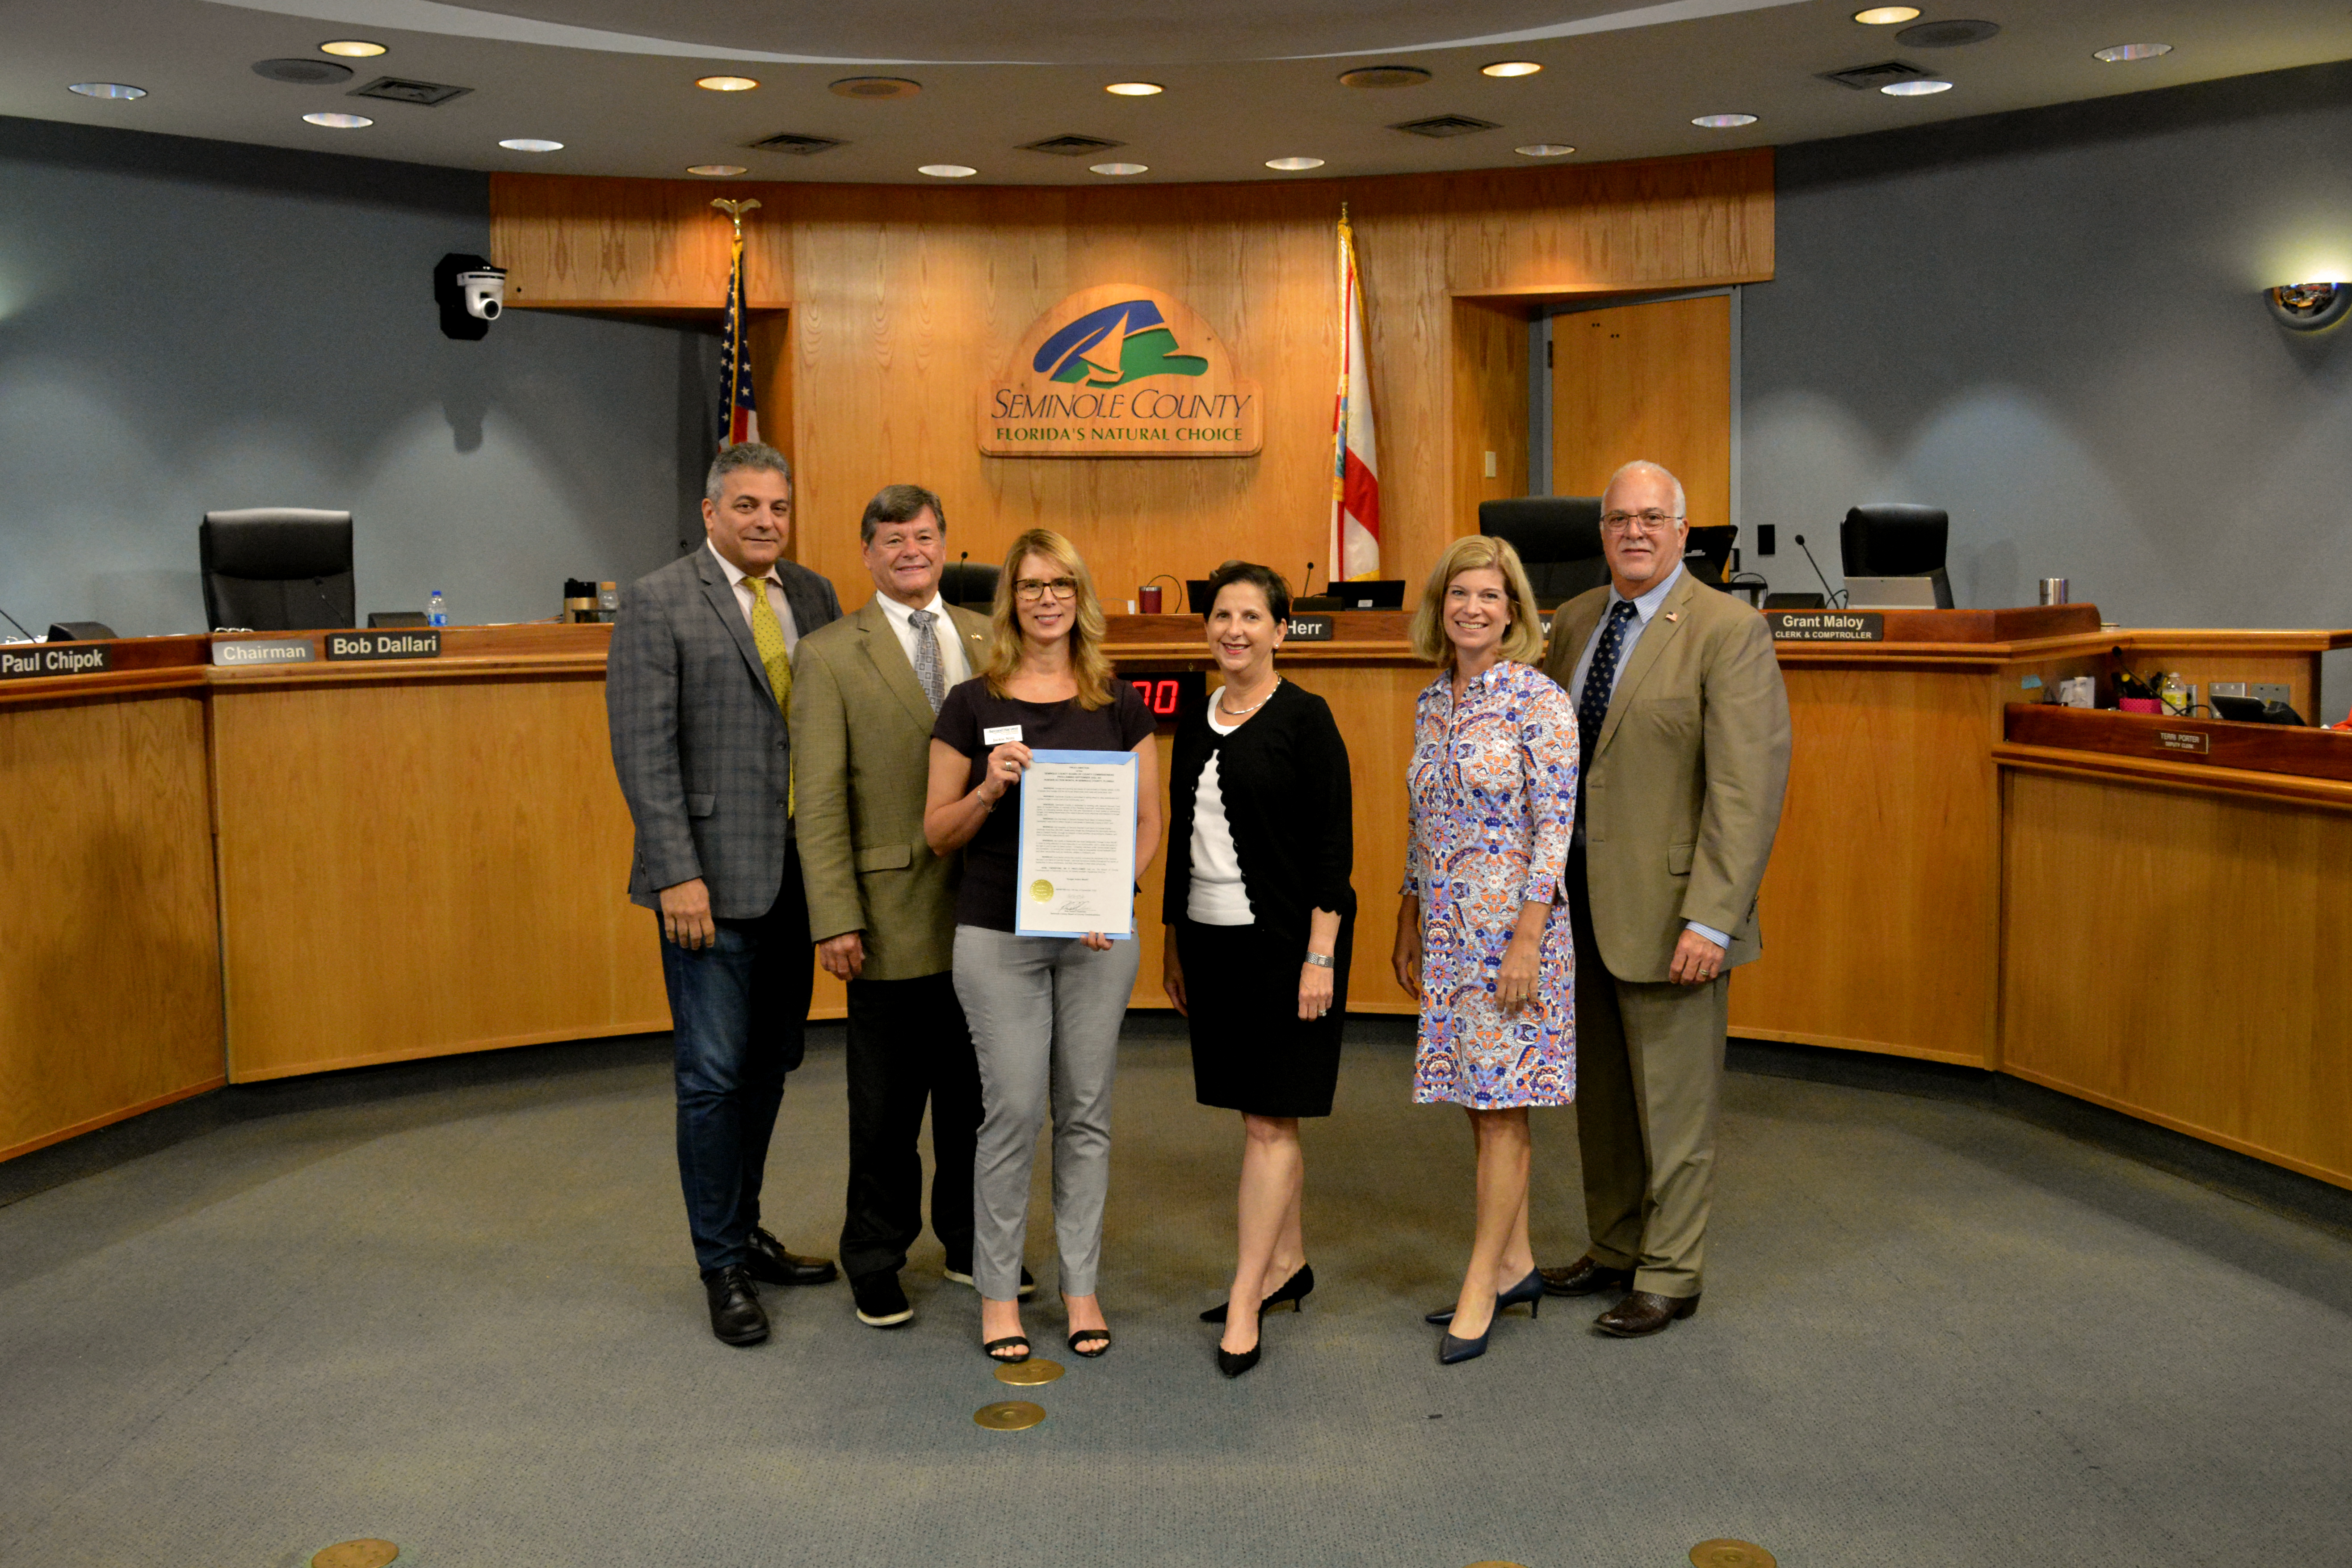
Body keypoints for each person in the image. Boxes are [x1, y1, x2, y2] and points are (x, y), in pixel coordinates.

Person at [1537, 459, 1790, 1337]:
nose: (1634, 532)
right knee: (1602, 1098)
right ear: (1600, 532)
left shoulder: (1727, 629)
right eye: (1618, 519)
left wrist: (1714, 915)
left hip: (1677, 912)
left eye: (1652, 518)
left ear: (1684, 533)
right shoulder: (1571, 623)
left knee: (1675, 1106)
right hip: (1579, 907)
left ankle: (1671, 1272)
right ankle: (1613, 1246)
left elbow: (1745, 790)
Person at [606, 441, 844, 1348]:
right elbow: (644, 751)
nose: (764, 522)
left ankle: (744, 1229)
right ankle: (720, 1266)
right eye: (746, 507)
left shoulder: (814, 596)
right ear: (711, 513)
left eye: (778, 508)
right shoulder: (659, 600)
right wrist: (675, 872)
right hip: (705, 882)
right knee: (710, 1078)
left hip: (797, 879)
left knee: (771, 1064)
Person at [923, 528, 1163, 1365]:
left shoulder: (1119, 703)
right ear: (1011, 600)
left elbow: (1148, 822)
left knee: (1087, 1111)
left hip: (1096, 937)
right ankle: (997, 1291)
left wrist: (1114, 895)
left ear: (1080, 595)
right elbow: (938, 832)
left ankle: (1081, 1284)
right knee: (1016, 1109)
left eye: (1061, 583)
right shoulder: (970, 703)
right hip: (997, 935)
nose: (1047, 598)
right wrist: (990, 787)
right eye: (1030, 585)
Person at [790, 484, 1004, 1332]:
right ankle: (876, 1257)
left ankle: (967, 1241)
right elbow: (818, 802)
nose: (911, 549)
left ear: (946, 542)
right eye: (891, 538)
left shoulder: (995, 640)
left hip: (988, 912)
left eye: (924, 535)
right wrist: (834, 916)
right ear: (869, 553)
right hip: (885, 918)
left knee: (977, 1098)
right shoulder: (829, 653)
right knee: (883, 1110)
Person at [1161, 560, 1355, 1379]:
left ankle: (1246, 1296)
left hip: (1286, 947)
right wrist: (1173, 943)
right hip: (1211, 946)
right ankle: (1288, 1263)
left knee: (1271, 1121)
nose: (1233, 629)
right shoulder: (1198, 720)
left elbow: (1331, 850)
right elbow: (1181, 838)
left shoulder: (1307, 719)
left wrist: (1320, 955)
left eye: (1251, 616)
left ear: (1282, 628)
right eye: (1220, 616)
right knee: (1263, 1116)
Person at [1390, 534, 1579, 1366]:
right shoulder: (1434, 702)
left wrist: (1528, 939)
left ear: (1514, 612)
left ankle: (1480, 1284)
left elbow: (1556, 830)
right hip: (1446, 929)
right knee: (1480, 1097)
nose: (1473, 607)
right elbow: (1423, 822)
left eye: (1490, 596)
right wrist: (1408, 914)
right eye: (1459, 593)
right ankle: (1517, 1262)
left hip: (1514, 934)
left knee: (1504, 1107)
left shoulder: (1539, 700)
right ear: (1441, 608)